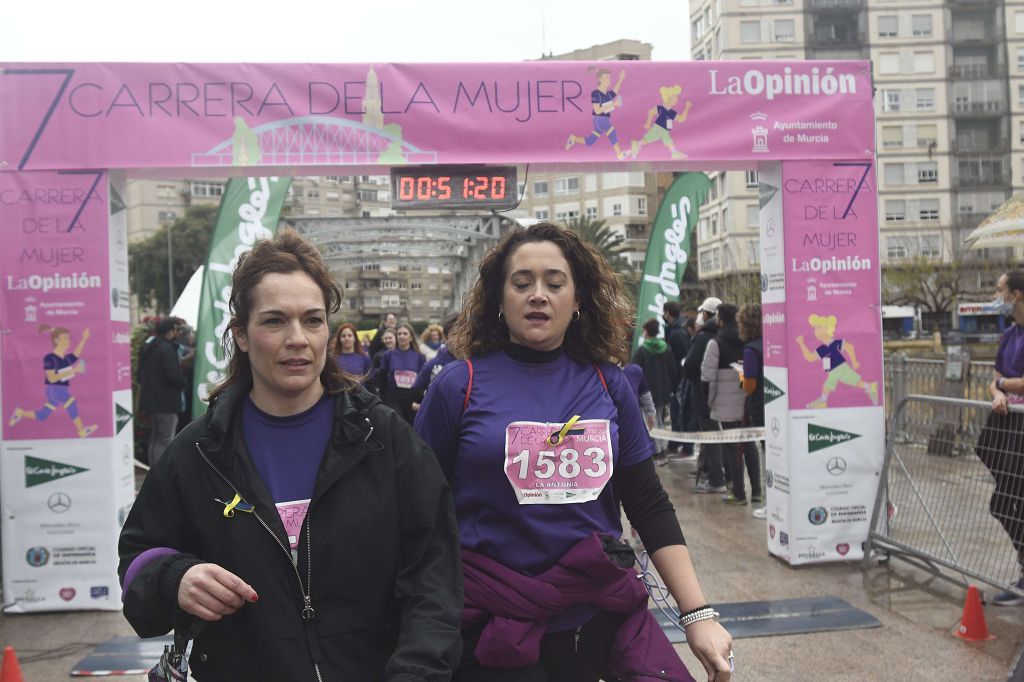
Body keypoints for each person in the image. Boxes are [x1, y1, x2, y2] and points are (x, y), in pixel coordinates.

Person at [117, 229, 462, 681]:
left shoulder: (384, 438)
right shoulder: (199, 452)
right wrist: (174, 578)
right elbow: (137, 560)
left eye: (313, 320)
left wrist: (416, 673)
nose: (297, 338)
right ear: (241, 334)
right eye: (275, 321)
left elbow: (435, 573)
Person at [414, 222, 732, 682]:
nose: (537, 295)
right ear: (499, 300)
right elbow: (419, 514)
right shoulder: (456, 387)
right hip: (490, 633)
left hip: (595, 625)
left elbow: (645, 500)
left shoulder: (609, 383)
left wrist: (697, 613)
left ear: (578, 299)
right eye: (521, 284)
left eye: (554, 283)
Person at [977, 270, 1024, 605]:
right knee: (1005, 501)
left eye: (1000, 290)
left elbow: (1010, 381)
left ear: (1017, 294)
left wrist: (1004, 387)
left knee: (1007, 499)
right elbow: (994, 379)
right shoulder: (1009, 334)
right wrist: (998, 391)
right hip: (1006, 420)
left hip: (1021, 424)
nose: (997, 296)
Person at [8, 324, 97, 438]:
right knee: (71, 403)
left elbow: (76, 355)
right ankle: (81, 431)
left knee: (43, 415)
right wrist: (74, 370)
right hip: (55, 390)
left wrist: (84, 339)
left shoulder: (65, 358)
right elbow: (51, 378)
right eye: (65, 337)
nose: (68, 340)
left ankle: (20, 413)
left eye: (68, 337)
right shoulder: (50, 358)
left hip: (60, 389)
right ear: (56, 340)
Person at [700, 304, 746, 501]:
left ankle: (737, 491)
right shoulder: (746, 340)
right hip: (745, 400)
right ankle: (747, 489)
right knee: (744, 446)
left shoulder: (715, 343)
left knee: (730, 446)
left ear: (720, 318)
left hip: (724, 403)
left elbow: (708, 377)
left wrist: (709, 402)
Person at [136, 318, 188, 465]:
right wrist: (184, 383)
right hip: (166, 401)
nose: (178, 333)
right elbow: (173, 374)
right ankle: (160, 473)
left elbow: (139, 375)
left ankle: (153, 470)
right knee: (165, 439)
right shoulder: (167, 349)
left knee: (156, 438)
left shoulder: (150, 347)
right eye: (176, 330)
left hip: (152, 401)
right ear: (170, 332)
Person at [681, 297, 721, 488]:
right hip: (727, 395)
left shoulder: (704, 336)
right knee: (725, 435)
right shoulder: (729, 334)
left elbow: (690, 364)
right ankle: (714, 472)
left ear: (706, 314)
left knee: (710, 435)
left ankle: (715, 477)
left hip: (704, 393)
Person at [631, 318, 679, 458]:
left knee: (650, 421)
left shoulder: (641, 351)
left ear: (646, 332)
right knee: (660, 419)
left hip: (647, 392)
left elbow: (635, 372)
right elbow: (673, 370)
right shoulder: (666, 348)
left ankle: (656, 449)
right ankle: (662, 446)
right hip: (664, 391)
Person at [734, 304, 764, 507]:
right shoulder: (770, 343)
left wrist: (741, 376)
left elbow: (751, 386)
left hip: (760, 407)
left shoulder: (751, 351)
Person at [565, 67, 630, 160]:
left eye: (609, 77)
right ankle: (619, 154)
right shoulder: (595, 93)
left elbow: (615, 91)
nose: (609, 79)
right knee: (611, 131)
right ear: (600, 79)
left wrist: (621, 79)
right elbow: (597, 110)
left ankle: (574, 138)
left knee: (591, 141)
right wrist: (614, 104)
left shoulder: (607, 94)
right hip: (599, 119)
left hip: (604, 119)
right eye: (606, 77)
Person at [378, 322, 426, 424]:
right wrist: (383, 398)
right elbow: (382, 378)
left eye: (405, 333)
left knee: (411, 428)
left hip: (412, 398)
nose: (401, 336)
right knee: (398, 426)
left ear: (411, 337)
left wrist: (420, 400)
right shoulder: (388, 355)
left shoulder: (419, 356)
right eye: (399, 334)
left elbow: (423, 380)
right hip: (393, 397)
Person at [663, 301, 693, 459]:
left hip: (679, 380)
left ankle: (685, 446)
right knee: (676, 413)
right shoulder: (674, 330)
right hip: (675, 379)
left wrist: (677, 378)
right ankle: (675, 443)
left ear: (668, 313)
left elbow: (682, 358)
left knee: (680, 413)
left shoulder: (677, 333)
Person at [331, 321, 373, 386]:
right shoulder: (333, 359)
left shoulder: (364, 357)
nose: (346, 338)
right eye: (343, 336)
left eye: (350, 335)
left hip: (359, 395)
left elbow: (370, 382)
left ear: (355, 338)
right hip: (340, 394)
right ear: (339, 339)